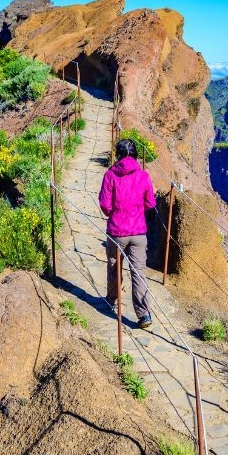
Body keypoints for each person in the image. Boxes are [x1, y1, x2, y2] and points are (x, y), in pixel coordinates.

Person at [98, 138, 156, 329]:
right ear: (136, 154)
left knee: (114, 267)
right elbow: (150, 203)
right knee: (138, 272)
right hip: (138, 231)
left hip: (117, 232)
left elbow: (105, 206)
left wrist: (115, 212)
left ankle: (112, 300)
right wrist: (137, 211)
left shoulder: (110, 175)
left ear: (118, 154)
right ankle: (144, 314)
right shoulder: (144, 175)